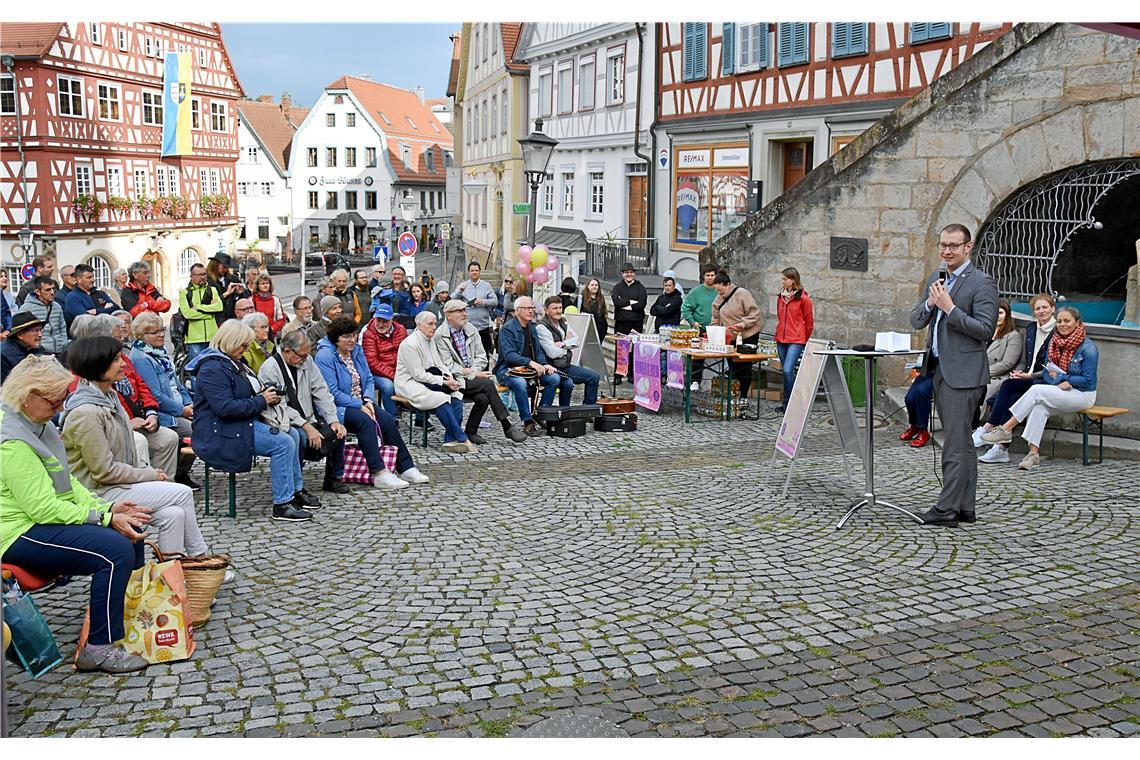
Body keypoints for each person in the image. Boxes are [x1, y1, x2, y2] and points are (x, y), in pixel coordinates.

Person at [0, 356, 151, 673]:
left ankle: (128, 622)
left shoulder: (37, 424)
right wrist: (106, 518)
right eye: (54, 401)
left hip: (35, 522)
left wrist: (107, 508)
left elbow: (66, 482)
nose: (59, 408)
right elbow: (42, 508)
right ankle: (99, 647)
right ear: (28, 397)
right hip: (15, 533)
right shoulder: (12, 441)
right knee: (114, 550)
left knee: (129, 534)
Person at [62, 336, 212, 559]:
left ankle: (173, 575)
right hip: (98, 493)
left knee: (174, 514)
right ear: (97, 364)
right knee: (181, 492)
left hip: (118, 485)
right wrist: (149, 474)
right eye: (116, 360)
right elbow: (103, 472)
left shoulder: (110, 396)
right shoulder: (86, 413)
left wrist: (146, 474)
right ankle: (201, 559)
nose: (123, 363)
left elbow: (127, 453)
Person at [909, 223, 999, 527]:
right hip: (937, 369)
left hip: (965, 374)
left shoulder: (981, 283)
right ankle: (964, 507)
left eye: (954, 246)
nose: (947, 252)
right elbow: (916, 319)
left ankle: (947, 509)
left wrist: (949, 308)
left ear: (968, 247)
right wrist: (931, 303)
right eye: (943, 245)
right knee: (961, 443)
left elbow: (985, 330)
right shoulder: (937, 277)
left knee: (954, 444)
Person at [185, 320, 317, 521]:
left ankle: (296, 490)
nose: (246, 350)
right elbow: (225, 408)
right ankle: (282, 503)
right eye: (243, 345)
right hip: (221, 430)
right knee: (282, 443)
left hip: (239, 422)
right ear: (230, 342)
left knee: (292, 434)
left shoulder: (234, 362)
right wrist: (261, 400)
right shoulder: (212, 368)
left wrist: (263, 395)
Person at [316, 316, 429, 486]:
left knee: (387, 421)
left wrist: (367, 400)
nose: (352, 340)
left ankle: (406, 467)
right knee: (365, 422)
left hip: (361, 401)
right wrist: (359, 405)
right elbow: (331, 392)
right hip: (338, 406)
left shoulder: (357, 350)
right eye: (346, 337)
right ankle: (379, 472)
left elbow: (368, 378)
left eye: (353, 335)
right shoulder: (325, 355)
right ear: (336, 338)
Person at [980, 306, 1097, 470]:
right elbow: (1047, 373)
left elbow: (1088, 380)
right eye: (1060, 321)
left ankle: (1005, 428)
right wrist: (1058, 382)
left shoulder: (1088, 348)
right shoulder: (1055, 343)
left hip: (1083, 395)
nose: (1063, 324)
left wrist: (1063, 378)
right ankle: (1033, 455)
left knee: (1035, 391)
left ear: (1077, 323)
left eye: (1067, 321)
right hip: (1061, 390)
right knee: (1039, 407)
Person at [259, 329, 349, 494]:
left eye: (307, 355)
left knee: (339, 428)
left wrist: (333, 420)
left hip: (307, 416)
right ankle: (296, 485)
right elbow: (280, 406)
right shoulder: (270, 368)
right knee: (298, 436)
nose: (305, 359)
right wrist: (307, 426)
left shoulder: (306, 361)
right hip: (283, 420)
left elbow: (321, 391)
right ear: (287, 351)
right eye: (302, 356)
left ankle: (334, 477)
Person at [973, 293, 1057, 460]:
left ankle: (992, 433)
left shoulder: (1056, 331)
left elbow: (1052, 366)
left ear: (1053, 309)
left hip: (1043, 379)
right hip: (1027, 376)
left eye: (1044, 307)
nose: (1041, 311)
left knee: (1009, 389)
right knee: (1011, 390)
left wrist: (1030, 375)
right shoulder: (1032, 329)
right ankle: (999, 447)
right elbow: (1026, 358)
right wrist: (1020, 373)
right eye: (1037, 308)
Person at [435, 299, 527, 444]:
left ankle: (471, 431)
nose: (464, 314)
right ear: (448, 315)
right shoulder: (440, 335)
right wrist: (473, 374)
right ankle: (507, 426)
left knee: (482, 398)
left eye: (464, 310)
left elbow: (482, 356)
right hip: (452, 380)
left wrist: (473, 371)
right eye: (459, 311)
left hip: (469, 378)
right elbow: (447, 365)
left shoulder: (470, 329)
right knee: (488, 384)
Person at [128, 312, 198, 489]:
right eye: (154, 332)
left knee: (199, 425)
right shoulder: (141, 358)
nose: (160, 334)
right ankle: (174, 475)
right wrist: (181, 411)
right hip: (163, 413)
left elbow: (177, 384)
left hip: (177, 408)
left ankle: (180, 472)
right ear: (141, 336)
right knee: (195, 431)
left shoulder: (160, 353)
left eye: (162, 330)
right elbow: (155, 395)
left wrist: (188, 403)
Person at [395, 311, 475, 454]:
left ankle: (450, 440)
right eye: (430, 324)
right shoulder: (410, 344)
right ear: (419, 326)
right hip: (409, 384)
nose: (434, 327)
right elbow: (418, 374)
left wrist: (449, 378)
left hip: (429, 380)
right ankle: (462, 439)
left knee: (456, 395)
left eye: (435, 324)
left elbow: (439, 364)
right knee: (440, 398)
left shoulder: (430, 340)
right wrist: (443, 382)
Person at [494, 296, 562, 436]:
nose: (531, 311)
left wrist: (544, 364)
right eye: (527, 308)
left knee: (554, 378)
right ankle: (527, 421)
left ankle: (541, 414)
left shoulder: (531, 327)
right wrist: (531, 362)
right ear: (517, 311)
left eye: (532, 308)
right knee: (519, 383)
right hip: (507, 370)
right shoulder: (508, 329)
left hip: (528, 370)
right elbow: (509, 355)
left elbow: (537, 351)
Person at [535, 296, 600, 406]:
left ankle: (588, 410)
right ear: (546, 311)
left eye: (560, 307)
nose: (559, 311)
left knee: (594, 376)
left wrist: (563, 344)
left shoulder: (563, 322)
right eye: (555, 308)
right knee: (568, 383)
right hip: (552, 367)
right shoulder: (542, 327)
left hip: (565, 365)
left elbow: (577, 340)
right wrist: (568, 347)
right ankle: (555, 412)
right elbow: (552, 353)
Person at [710, 271, 763, 400]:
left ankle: (743, 397)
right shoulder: (718, 300)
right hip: (731, 337)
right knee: (733, 367)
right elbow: (715, 318)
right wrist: (714, 331)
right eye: (717, 291)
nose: (720, 293)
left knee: (744, 367)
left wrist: (743, 324)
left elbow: (754, 313)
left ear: (728, 285)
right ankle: (734, 396)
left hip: (747, 335)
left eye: (721, 290)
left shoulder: (742, 294)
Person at [774, 267, 814, 412]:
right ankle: (787, 402)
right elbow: (780, 316)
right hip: (782, 338)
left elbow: (809, 321)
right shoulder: (781, 297)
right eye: (782, 279)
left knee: (787, 370)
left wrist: (803, 338)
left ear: (793, 280)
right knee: (786, 371)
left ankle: (791, 403)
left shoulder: (804, 298)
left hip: (796, 338)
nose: (783, 282)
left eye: (785, 279)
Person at [362, 303, 408, 416]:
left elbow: (407, 352)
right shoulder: (369, 333)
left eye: (385, 321)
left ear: (392, 319)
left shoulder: (400, 330)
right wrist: (393, 375)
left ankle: (421, 418)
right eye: (378, 320)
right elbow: (372, 362)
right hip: (376, 373)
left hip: (398, 369)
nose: (381, 324)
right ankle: (391, 417)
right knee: (388, 386)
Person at [680, 265, 719, 390]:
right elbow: (685, 308)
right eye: (707, 275)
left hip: (716, 329)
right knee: (698, 357)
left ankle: (717, 382)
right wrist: (693, 322)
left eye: (712, 275)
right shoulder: (696, 292)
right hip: (700, 329)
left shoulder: (719, 290)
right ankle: (695, 381)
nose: (710, 278)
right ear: (703, 277)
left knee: (719, 356)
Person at [179, 263, 225, 361]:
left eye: (204, 274)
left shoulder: (212, 290)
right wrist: (209, 314)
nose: (203, 277)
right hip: (194, 339)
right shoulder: (185, 293)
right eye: (199, 275)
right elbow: (187, 314)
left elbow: (219, 307)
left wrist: (199, 307)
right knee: (196, 368)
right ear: (192, 276)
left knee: (214, 367)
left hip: (212, 337)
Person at [610, 264, 647, 386]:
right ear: (622, 274)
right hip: (621, 323)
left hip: (636, 323)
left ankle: (632, 374)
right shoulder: (617, 287)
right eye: (626, 272)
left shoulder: (640, 288)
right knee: (620, 350)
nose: (629, 274)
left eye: (631, 272)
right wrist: (632, 303)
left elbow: (642, 304)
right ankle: (618, 374)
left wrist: (625, 304)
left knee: (634, 350)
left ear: (634, 273)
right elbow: (617, 302)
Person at [15, 275, 69, 358]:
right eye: (47, 289)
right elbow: (19, 331)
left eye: (53, 289)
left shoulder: (57, 306)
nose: (52, 292)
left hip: (60, 352)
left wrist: (63, 343)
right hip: (40, 353)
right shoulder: (26, 308)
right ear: (38, 291)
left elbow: (62, 327)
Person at [455, 261, 498, 358]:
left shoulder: (486, 285)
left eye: (476, 270)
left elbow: (495, 301)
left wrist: (484, 302)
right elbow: (452, 301)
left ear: (479, 272)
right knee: (468, 355)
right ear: (468, 272)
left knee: (484, 355)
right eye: (472, 271)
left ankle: (485, 372)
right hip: (467, 327)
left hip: (483, 327)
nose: (474, 272)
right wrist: (459, 292)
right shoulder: (463, 286)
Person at [1, 313, 44, 382]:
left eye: (40, 330)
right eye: (36, 331)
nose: (40, 334)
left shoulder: (38, 349)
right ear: (20, 335)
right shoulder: (3, 355)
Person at [205, 252, 245, 322]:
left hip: (232, 320)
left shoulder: (233, 279)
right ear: (215, 265)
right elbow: (208, 304)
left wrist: (239, 294)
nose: (226, 270)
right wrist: (226, 294)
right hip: (214, 321)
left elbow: (240, 302)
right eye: (224, 267)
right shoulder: (206, 281)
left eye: (227, 267)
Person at [580, 278, 608, 346]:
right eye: (592, 285)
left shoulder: (601, 298)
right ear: (588, 286)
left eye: (596, 285)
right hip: (587, 331)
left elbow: (603, 313)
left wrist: (604, 329)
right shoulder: (581, 298)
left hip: (599, 331)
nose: (594, 287)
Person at [0, 269, 16, 334]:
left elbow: (13, 313)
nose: (5, 278)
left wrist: (8, 330)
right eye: (1, 276)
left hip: (7, 332)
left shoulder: (9, 296)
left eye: (5, 276)